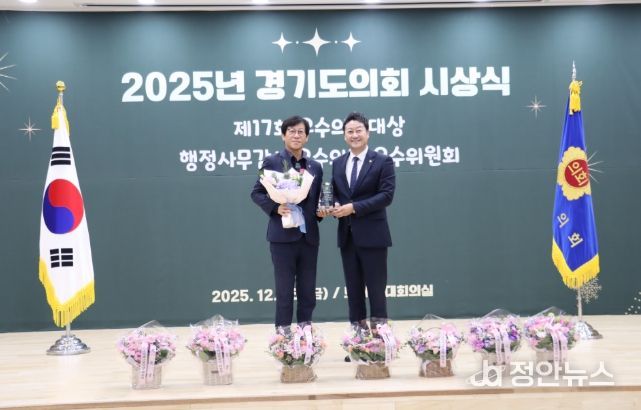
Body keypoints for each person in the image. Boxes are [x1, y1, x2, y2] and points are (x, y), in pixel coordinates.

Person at [322, 112, 396, 332]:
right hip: (347, 236)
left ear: (368, 133)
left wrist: (353, 207)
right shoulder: (338, 163)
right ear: (344, 135)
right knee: (353, 289)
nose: (354, 135)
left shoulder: (382, 161)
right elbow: (336, 193)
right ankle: (357, 337)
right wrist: (334, 204)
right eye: (350, 131)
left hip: (374, 235)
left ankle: (379, 337)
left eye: (358, 131)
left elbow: (386, 196)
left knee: (376, 288)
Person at [251, 115, 323, 329]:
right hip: (281, 237)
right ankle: (283, 336)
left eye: (301, 132)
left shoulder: (315, 166)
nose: (296, 135)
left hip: (308, 237)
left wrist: (322, 211)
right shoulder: (271, 162)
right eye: (291, 131)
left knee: (308, 290)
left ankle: (305, 332)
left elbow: (317, 199)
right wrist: (275, 207)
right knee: (284, 290)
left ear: (307, 137)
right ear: (283, 135)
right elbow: (256, 193)